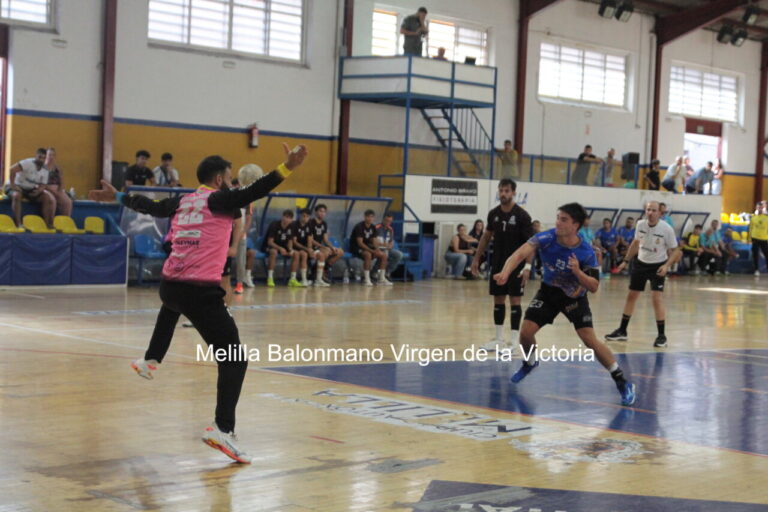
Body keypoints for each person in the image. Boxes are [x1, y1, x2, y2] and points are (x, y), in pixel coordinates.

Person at [88, 143, 309, 463]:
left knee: (173, 305)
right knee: (235, 359)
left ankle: (151, 360)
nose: (233, 183)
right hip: (199, 292)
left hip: (170, 286)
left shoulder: (183, 201)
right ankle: (222, 429)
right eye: (230, 177)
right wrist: (288, 166)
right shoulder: (219, 200)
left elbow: (150, 206)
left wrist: (118, 197)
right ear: (219, 179)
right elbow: (258, 188)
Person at [493, 202, 636, 406]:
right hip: (549, 292)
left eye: (563, 219)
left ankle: (622, 381)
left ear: (575, 225)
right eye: (558, 217)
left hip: (574, 297)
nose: (558, 222)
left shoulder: (586, 251)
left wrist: (578, 273)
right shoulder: (546, 237)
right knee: (525, 333)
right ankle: (530, 362)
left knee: (590, 341)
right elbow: (519, 253)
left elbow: (594, 286)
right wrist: (505, 273)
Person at [605, 201, 681, 348]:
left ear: (660, 213)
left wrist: (666, 266)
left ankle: (661, 336)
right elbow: (635, 243)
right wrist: (625, 261)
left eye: (653, 210)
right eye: (648, 210)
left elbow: (676, 251)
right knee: (631, 296)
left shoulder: (666, 229)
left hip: (658, 266)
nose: (650, 213)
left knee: (656, 298)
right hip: (640, 264)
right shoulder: (640, 225)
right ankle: (622, 331)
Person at [470, 179, 534, 352]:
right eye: (501, 190)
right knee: (498, 299)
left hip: (517, 265)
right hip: (498, 263)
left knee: (515, 300)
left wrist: (527, 267)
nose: (503, 194)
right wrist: (476, 259)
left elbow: (531, 244)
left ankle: (514, 341)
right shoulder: (493, 214)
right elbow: (486, 236)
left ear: (513, 193)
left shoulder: (522, 215)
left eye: (506, 190)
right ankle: (498, 339)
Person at [8, 148, 55, 228]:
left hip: (30, 189)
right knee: (17, 195)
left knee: (46, 197)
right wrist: (13, 185)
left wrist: (39, 191)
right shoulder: (27, 163)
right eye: (39, 157)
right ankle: (18, 223)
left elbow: (43, 184)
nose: (41, 160)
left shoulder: (45, 169)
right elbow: (12, 170)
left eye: (44, 158)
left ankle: (46, 224)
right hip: (18, 185)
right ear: (36, 156)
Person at [351, 210, 390, 286]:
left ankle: (381, 278)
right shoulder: (359, 227)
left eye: (372, 217)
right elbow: (360, 243)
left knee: (384, 255)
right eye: (368, 216)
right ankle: (366, 279)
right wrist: (372, 251)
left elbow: (374, 241)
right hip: (356, 247)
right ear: (365, 217)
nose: (370, 218)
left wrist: (377, 249)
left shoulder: (373, 227)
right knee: (367, 255)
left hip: (368, 247)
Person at [262, 210, 301, 287]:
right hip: (270, 247)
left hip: (283, 247)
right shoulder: (274, 225)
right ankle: (270, 278)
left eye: (289, 218)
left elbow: (290, 240)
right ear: (282, 216)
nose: (287, 219)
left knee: (296, 253)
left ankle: (292, 279)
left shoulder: (292, 226)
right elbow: (270, 242)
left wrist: (290, 249)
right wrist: (280, 248)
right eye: (286, 217)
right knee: (274, 252)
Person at [308, 203, 343, 285]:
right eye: (320, 211)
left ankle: (325, 268)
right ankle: (316, 275)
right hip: (312, 247)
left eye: (324, 212)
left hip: (320, 246)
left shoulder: (324, 224)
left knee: (340, 251)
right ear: (316, 212)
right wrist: (323, 247)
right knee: (325, 252)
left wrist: (332, 247)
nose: (322, 213)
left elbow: (326, 239)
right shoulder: (310, 223)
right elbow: (311, 240)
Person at [43, 147, 73, 217]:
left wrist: (60, 190)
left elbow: (61, 181)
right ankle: (50, 222)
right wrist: (52, 191)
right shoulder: (42, 167)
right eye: (49, 155)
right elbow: (40, 183)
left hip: (57, 189)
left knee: (68, 202)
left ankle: (65, 221)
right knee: (52, 201)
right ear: (46, 156)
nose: (51, 157)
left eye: (53, 155)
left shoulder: (57, 168)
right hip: (45, 189)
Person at [375, 213, 403, 281]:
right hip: (377, 248)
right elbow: (373, 241)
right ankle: (375, 273)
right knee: (384, 254)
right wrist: (382, 244)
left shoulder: (390, 229)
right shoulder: (376, 228)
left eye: (390, 221)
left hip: (387, 249)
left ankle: (387, 272)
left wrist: (390, 246)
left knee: (399, 254)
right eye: (386, 221)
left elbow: (391, 242)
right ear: (383, 220)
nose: (388, 223)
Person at [290, 208, 313, 287]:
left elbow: (310, 239)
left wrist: (310, 249)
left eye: (307, 216)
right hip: (293, 247)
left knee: (307, 254)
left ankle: (305, 279)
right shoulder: (294, 225)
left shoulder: (309, 225)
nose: (305, 218)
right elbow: (294, 242)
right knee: (302, 254)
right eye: (303, 216)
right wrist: (307, 249)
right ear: (300, 216)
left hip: (304, 248)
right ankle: (294, 278)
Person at [748, 200, 768, 276]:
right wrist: (749, 239)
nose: (760, 209)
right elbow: (750, 228)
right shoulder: (753, 218)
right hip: (755, 238)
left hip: (764, 238)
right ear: (756, 208)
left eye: (761, 207)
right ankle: (756, 270)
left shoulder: (766, 218)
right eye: (758, 207)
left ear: (763, 208)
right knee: (755, 255)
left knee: (766, 254)